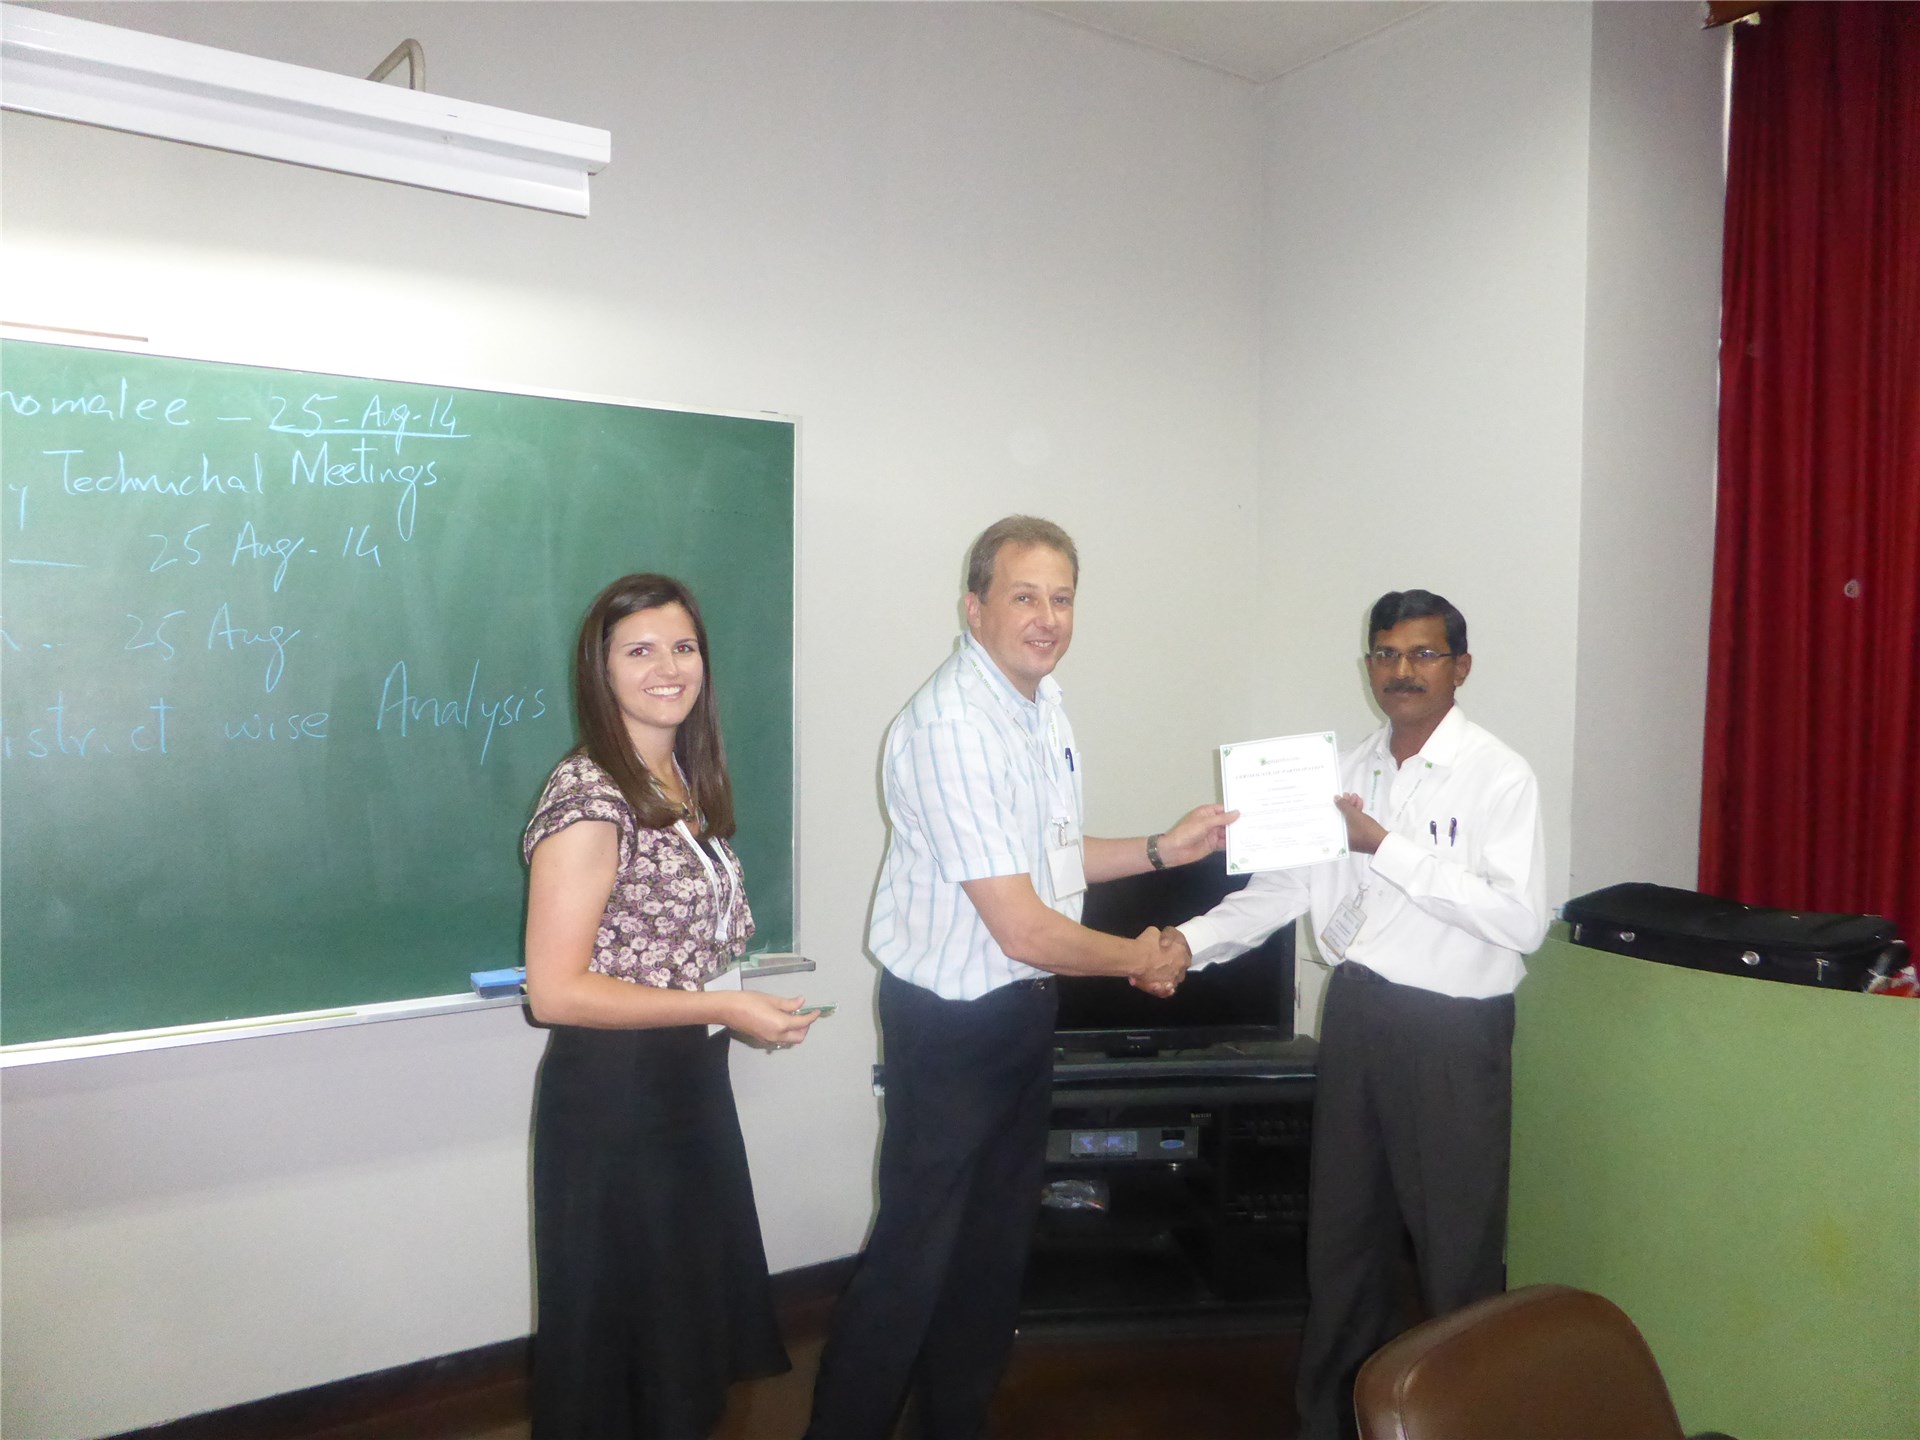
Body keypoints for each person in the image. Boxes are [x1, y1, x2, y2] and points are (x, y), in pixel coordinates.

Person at [806, 516, 1233, 1440]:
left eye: (1062, 597)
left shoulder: (1036, 704)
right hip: (952, 1026)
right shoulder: (955, 724)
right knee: (915, 1259)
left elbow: (1044, 858)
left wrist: (1166, 846)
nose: (1046, 618)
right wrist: (1143, 959)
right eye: (1024, 596)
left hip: (1017, 1017)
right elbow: (1023, 923)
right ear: (974, 606)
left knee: (991, 1257)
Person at [1166, 588, 1549, 1440]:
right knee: (1343, 1243)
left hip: (1454, 1029)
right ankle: (1332, 1422)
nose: (1400, 672)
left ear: (1461, 667)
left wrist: (1391, 850)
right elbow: (1286, 890)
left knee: (1456, 1252)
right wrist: (1187, 944)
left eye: (1421, 655)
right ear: (1368, 665)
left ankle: (1467, 1421)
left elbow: (1523, 920)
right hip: (1362, 1014)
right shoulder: (1342, 773)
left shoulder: (1498, 774)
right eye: (1385, 654)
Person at [521, 573, 820, 1440]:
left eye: (682, 646)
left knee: (683, 1346)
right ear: (600, 670)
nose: (668, 667)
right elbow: (556, 991)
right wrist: (726, 1012)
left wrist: (731, 1005)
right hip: (617, 1105)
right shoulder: (589, 798)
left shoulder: (682, 780)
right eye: (640, 650)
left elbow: (674, 954)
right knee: (632, 1358)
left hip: (685, 1086)